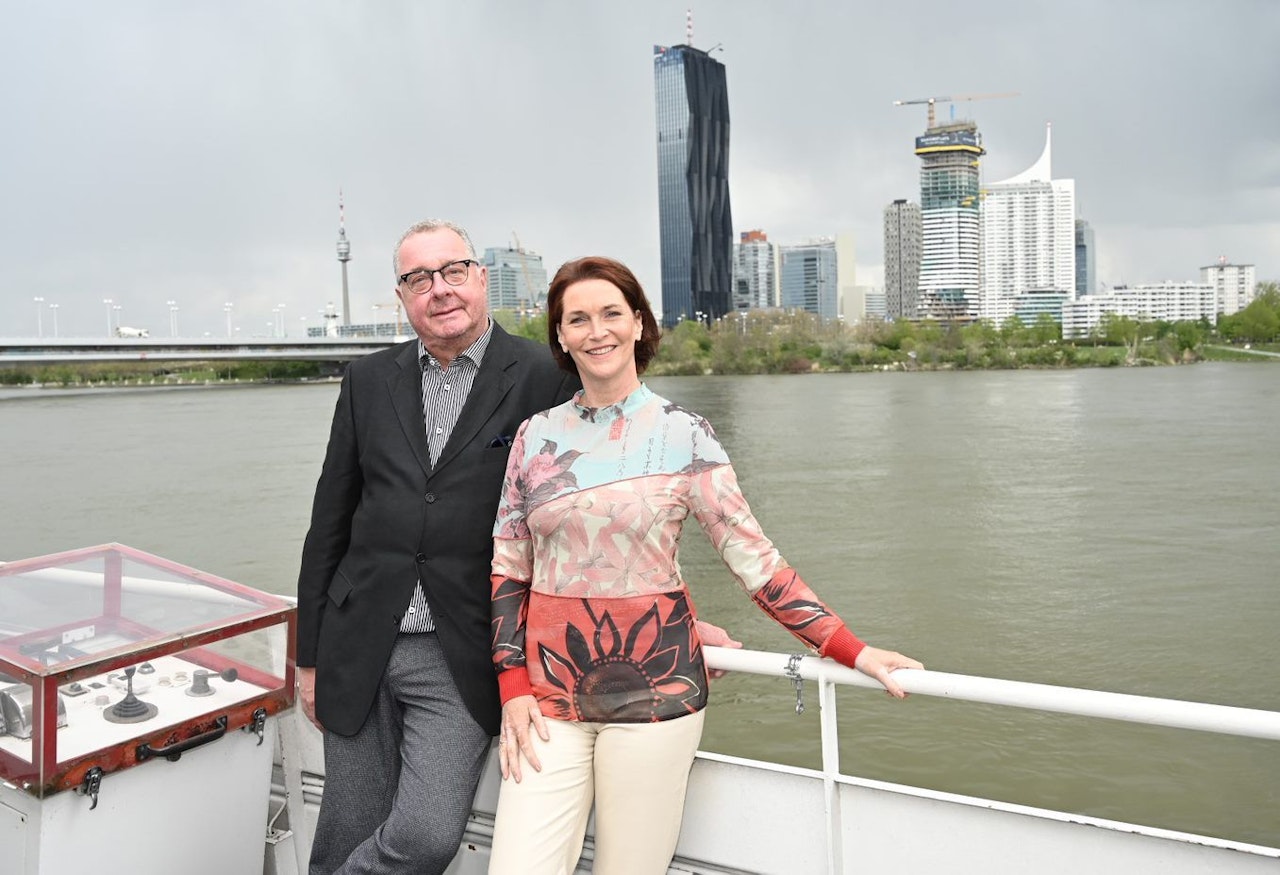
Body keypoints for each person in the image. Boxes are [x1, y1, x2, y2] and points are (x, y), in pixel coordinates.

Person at [488, 256, 924, 874]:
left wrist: (849, 647)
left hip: (658, 698)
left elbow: (756, 561)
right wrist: (511, 687)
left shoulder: (685, 434)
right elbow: (509, 570)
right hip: (547, 698)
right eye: (577, 319)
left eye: (612, 313)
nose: (597, 331)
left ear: (639, 323)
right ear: (560, 336)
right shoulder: (534, 438)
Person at [294, 219, 579, 874]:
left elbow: (585, 513)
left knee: (425, 834)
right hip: (358, 636)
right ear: (401, 296)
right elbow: (329, 519)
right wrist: (308, 655)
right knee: (347, 825)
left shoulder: (542, 376)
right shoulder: (368, 380)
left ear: (481, 278)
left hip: (463, 649)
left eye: (453, 271)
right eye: (419, 278)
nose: (439, 289)